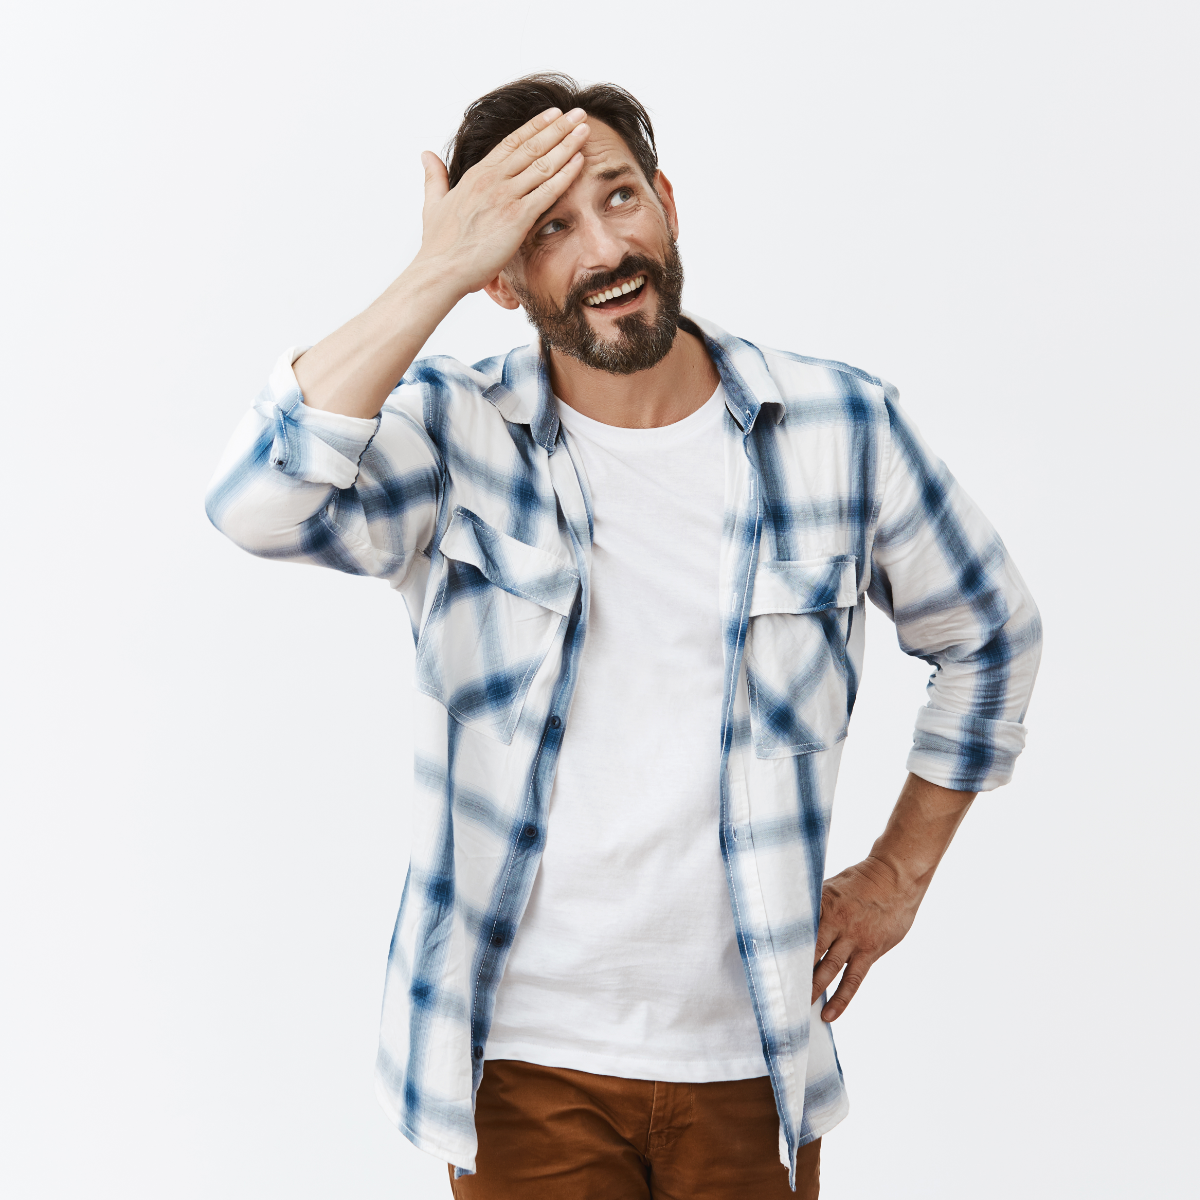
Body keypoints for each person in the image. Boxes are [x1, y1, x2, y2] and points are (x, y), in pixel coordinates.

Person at [205, 73, 1042, 1199]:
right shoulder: (452, 436)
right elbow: (258, 504)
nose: (606, 249)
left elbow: (990, 634)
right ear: (501, 280)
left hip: (752, 1061)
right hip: (522, 1069)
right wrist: (433, 271)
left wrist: (898, 874)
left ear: (668, 201)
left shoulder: (841, 427)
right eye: (545, 229)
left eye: (618, 196)